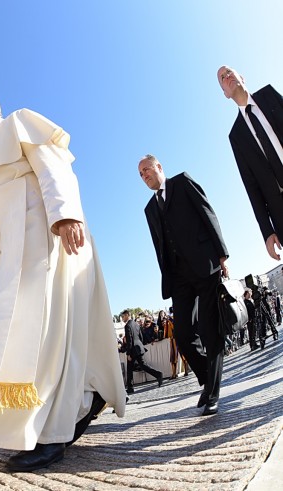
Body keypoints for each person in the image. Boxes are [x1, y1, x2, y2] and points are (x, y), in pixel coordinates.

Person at [0, 92, 126, 472]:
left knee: (45, 338)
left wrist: (64, 214)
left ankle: (53, 433)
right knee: (20, 343)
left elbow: (53, 164)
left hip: (44, 239)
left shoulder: (18, 123)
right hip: (8, 258)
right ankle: (75, 404)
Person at [139, 154, 229, 416]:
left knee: (210, 331)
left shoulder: (182, 182)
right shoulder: (149, 209)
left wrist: (222, 254)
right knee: (184, 336)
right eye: (141, 174)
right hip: (178, 277)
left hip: (204, 264)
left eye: (147, 170)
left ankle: (212, 391)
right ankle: (207, 379)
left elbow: (207, 212)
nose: (144, 175)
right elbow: (159, 246)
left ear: (159, 167)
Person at [217, 66, 283, 261]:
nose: (226, 76)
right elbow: (251, 185)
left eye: (229, 71)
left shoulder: (269, 94)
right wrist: (267, 230)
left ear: (241, 77)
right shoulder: (236, 135)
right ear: (225, 94)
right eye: (222, 78)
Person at [120, 310, 164, 394]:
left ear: (127, 315)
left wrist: (128, 353)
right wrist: (139, 345)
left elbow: (129, 341)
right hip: (139, 347)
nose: (122, 319)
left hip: (133, 349)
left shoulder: (127, 326)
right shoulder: (136, 324)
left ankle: (130, 387)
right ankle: (130, 387)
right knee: (140, 366)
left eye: (123, 317)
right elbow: (141, 336)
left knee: (136, 367)